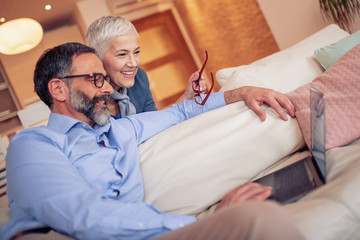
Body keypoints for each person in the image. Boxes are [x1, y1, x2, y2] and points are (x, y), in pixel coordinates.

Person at [0, 42, 303, 240]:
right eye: (96, 79)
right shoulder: (33, 144)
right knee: (260, 220)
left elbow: (182, 111)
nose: (108, 88)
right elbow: (85, 216)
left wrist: (243, 92)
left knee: (268, 211)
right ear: (59, 89)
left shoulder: (122, 130)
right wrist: (197, 226)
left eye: (105, 78)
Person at [86, 15, 208, 119]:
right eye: (122, 54)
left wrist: (187, 96)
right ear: (97, 59)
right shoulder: (84, 99)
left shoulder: (140, 78)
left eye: (136, 52)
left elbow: (154, 123)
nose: (134, 63)